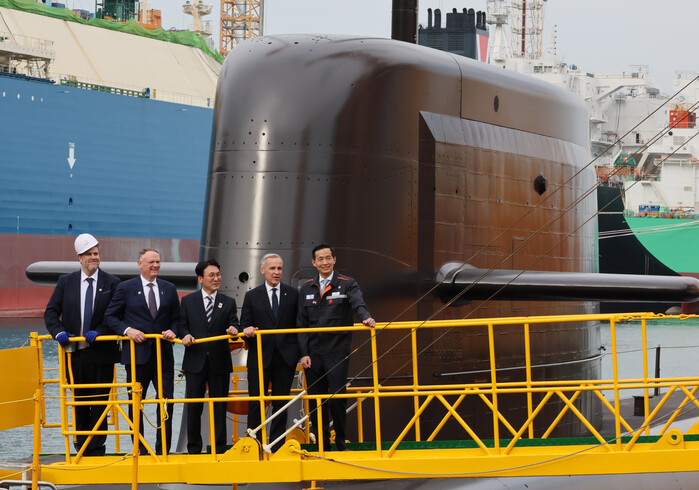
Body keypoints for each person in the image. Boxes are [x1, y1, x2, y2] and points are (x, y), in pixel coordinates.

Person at [44, 233, 121, 456]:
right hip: (75, 354)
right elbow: (51, 312)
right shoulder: (65, 282)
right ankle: (81, 446)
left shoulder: (112, 283)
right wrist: (58, 332)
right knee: (79, 401)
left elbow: (116, 315)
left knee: (100, 403)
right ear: (79, 257)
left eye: (96, 253)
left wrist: (102, 332)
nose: (94, 257)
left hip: (102, 354)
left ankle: (96, 448)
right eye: (88, 254)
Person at [297, 244, 375, 451]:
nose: (325, 262)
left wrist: (365, 317)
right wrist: (303, 353)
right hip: (313, 354)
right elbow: (301, 323)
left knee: (337, 398)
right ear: (314, 263)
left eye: (328, 258)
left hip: (337, 351)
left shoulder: (347, 284)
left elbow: (358, 303)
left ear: (334, 260)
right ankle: (322, 445)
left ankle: (340, 442)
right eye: (320, 259)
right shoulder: (306, 288)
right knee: (316, 401)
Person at [105, 248, 180, 455]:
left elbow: (176, 318)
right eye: (151, 262)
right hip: (136, 357)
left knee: (166, 402)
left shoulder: (169, 288)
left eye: (158, 262)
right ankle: (140, 449)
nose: (155, 265)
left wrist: (173, 330)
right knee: (135, 403)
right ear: (140, 264)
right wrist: (127, 330)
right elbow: (110, 316)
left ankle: (162, 449)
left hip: (163, 356)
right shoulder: (125, 288)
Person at [240, 253, 299, 451]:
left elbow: (299, 324)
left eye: (279, 268)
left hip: (285, 358)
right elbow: (244, 325)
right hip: (259, 357)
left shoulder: (293, 294)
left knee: (281, 403)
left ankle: (276, 444)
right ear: (262, 270)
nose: (276, 272)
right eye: (272, 268)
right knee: (256, 402)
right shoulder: (252, 296)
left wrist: (298, 353)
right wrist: (247, 331)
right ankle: (254, 443)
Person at [179, 259, 239, 454]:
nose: (216, 279)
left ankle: (219, 448)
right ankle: (194, 449)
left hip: (219, 362)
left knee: (219, 407)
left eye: (218, 275)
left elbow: (235, 323)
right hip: (195, 361)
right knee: (194, 408)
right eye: (211, 275)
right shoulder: (188, 301)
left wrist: (233, 329)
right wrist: (185, 335)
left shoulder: (228, 302)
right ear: (200, 278)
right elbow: (182, 325)